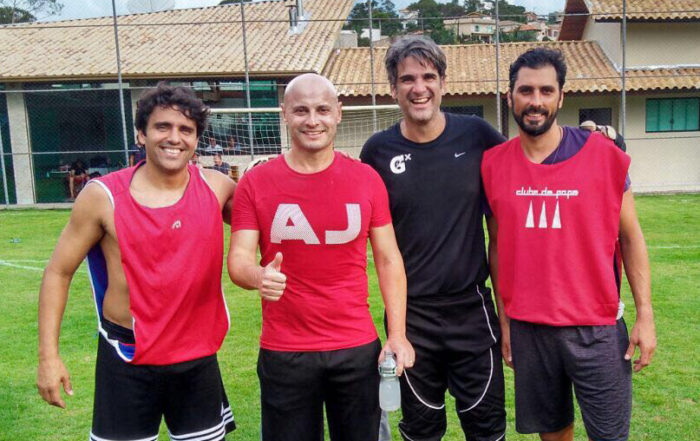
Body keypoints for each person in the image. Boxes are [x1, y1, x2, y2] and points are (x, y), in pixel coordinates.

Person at [37, 84, 237, 441]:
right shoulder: (102, 197)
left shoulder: (218, 187)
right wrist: (48, 358)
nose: (174, 138)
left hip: (196, 355)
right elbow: (58, 271)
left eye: (185, 130)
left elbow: (274, 224)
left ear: (196, 140)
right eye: (163, 127)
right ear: (141, 134)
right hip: (125, 353)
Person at [482, 48, 656, 441]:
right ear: (510, 96)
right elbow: (497, 244)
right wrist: (505, 319)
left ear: (561, 96)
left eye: (547, 90)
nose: (536, 101)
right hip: (530, 328)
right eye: (526, 90)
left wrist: (645, 314)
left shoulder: (604, 155)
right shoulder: (492, 164)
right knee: (553, 433)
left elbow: (631, 237)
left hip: (596, 327)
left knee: (610, 435)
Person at [228, 73, 414, 441]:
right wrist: (257, 276)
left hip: (356, 349)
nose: (312, 120)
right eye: (301, 110)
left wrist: (397, 335)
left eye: (322, 110)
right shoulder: (257, 182)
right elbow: (237, 260)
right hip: (285, 351)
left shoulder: (366, 179)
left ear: (338, 114)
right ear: (284, 114)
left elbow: (390, 260)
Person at [360, 35, 507, 441]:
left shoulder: (477, 136)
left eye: (428, 77)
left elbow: (524, 175)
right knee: (421, 431)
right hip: (411, 317)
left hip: (472, 311)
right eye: (407, 79)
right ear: (393, 88)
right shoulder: (376, 152)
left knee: (487, 428)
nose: (419, 87)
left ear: (443, 83)